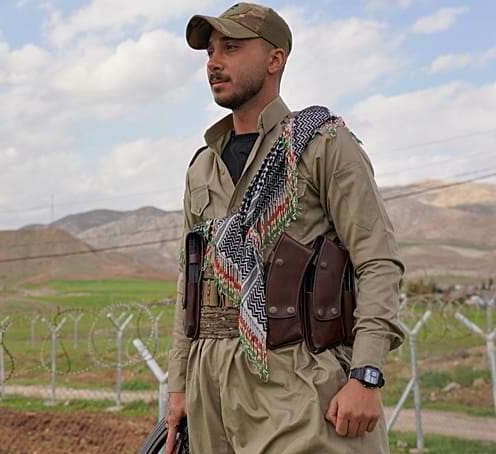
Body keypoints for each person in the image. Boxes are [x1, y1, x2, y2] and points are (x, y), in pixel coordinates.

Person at [165, 3, 404, 453]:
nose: (214, 62)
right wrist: (179, 386)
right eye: (210, 52)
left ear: (275, 60)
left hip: (298, 377)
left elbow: (378, 261)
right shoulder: (202, 168)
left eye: (231, 48)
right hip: (209, 384)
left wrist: (366, 375)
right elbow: (189, 281)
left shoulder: (322, 145)